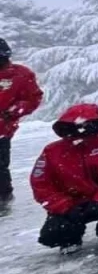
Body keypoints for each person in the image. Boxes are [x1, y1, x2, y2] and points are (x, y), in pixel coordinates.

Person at [30, 103, 98, 254]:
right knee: (52, 233)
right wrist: (65, 206)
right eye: (74, 127)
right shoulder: (52, 151)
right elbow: (40, 184)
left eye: (86, 126)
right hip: (72, 202)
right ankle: (71, 239)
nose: (80, 131)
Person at [0, 36, 42, 209]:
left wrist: (14, 111)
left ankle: (3, 198)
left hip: (2, 128)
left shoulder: (21, 74)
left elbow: (33, 98)